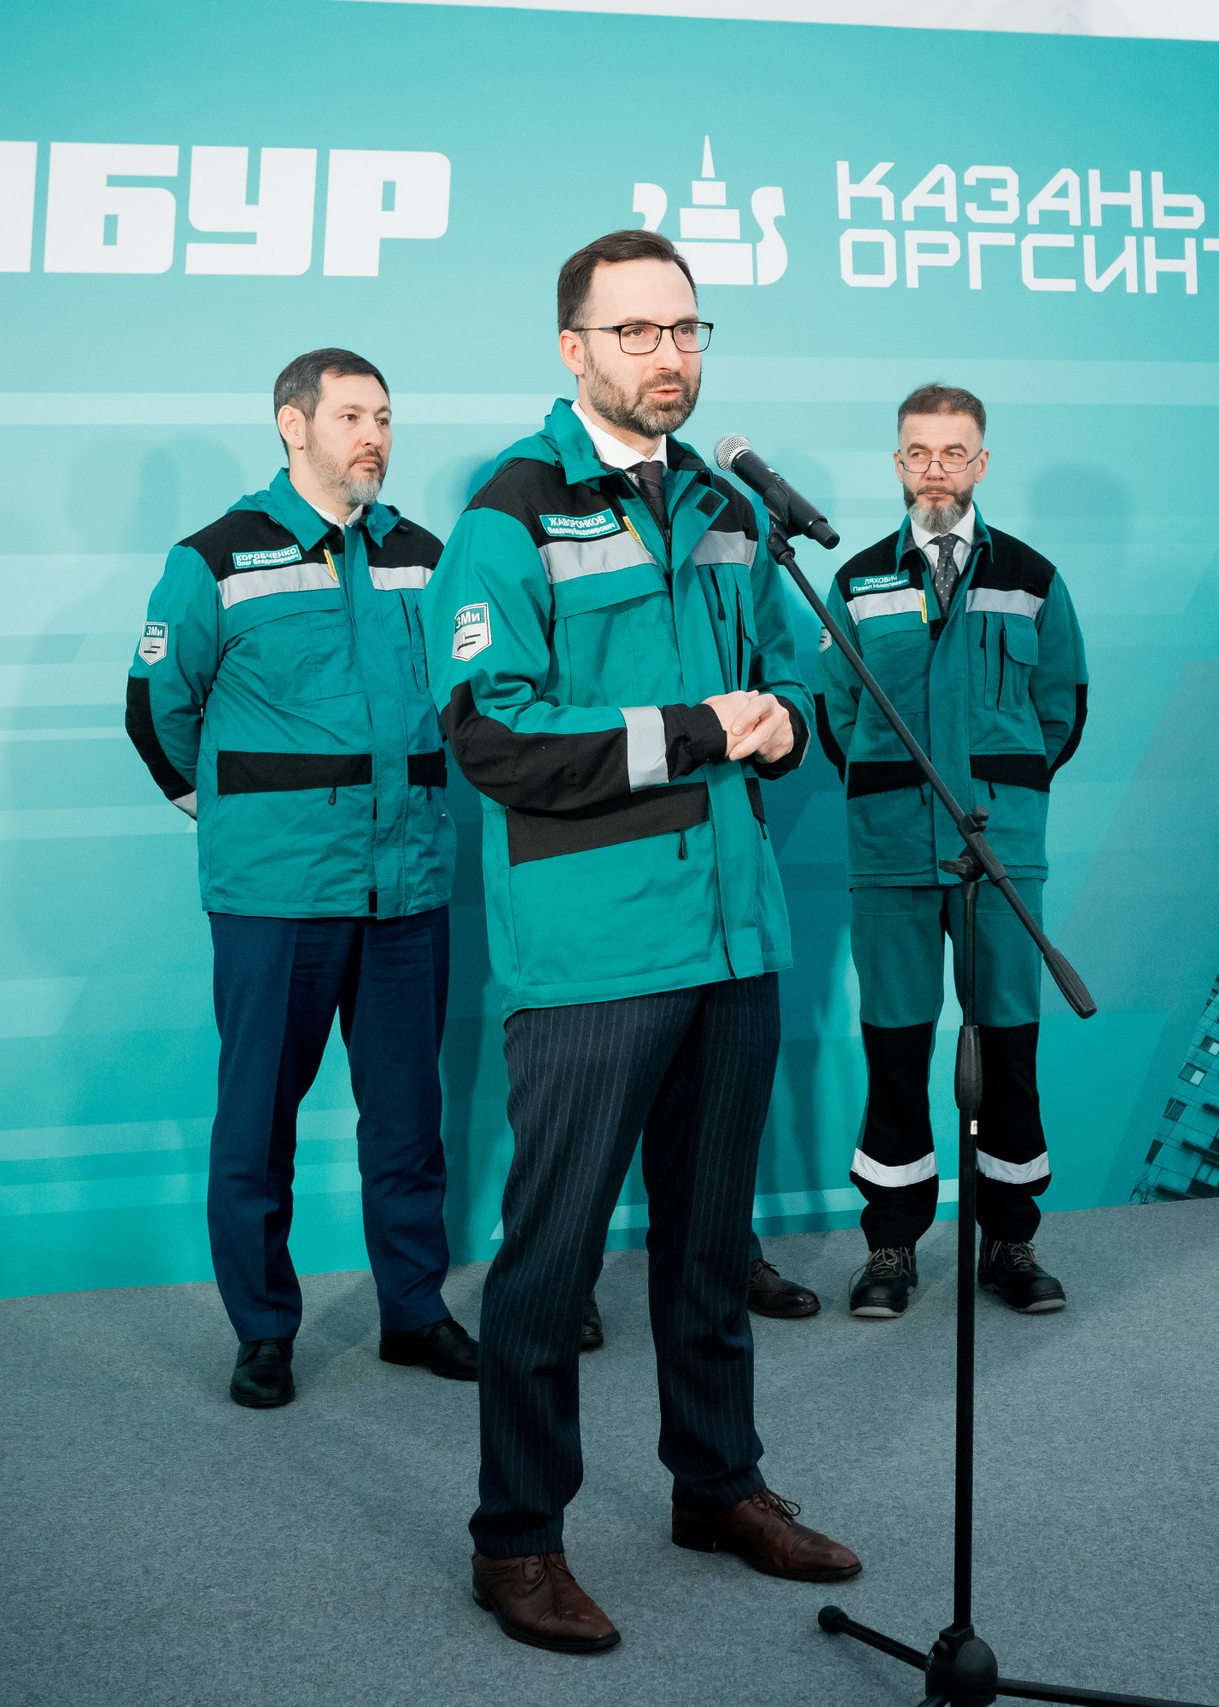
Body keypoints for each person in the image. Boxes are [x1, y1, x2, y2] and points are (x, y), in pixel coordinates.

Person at [428, 229, 859, 1655]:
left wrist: (786, 720)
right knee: (550, 1264)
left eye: (686, 329)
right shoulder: (511, 512)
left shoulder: (731, 507)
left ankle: (717, 1485)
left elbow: (788, 677)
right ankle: (516, 1537)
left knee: (711, 1242)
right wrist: (697, 731)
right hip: (593, 949)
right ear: (574, 348)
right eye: (636, 332)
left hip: (733, 935)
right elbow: (495, 735)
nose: (668, 356)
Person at [126, 348, 476, 1408]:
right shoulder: (214, 558)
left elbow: (466, 689)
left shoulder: (423, 554)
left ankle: (413, 1310)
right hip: (276, 897)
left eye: (384, 418)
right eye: (351, 416)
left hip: (407, 888)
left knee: (408, 1122)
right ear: (293, 425)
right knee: (256, 1126)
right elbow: (156, 710)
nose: (374, 436)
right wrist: (234, 816)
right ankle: (264, 1330)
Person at [814, 384, 1087, 1319]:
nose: (936, 468)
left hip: (999, 852)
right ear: (898, 463)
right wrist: (897, 795)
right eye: (919, 452)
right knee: (894, 1050)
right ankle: (890, 1246)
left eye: (954, 451)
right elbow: (836, 717)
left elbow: (1062, 710)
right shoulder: (857, 581)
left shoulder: (1033, 579)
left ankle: (1010, 1240)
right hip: (890, 853)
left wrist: (1002, 795)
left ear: (981, 463)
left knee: (1007, 1047)